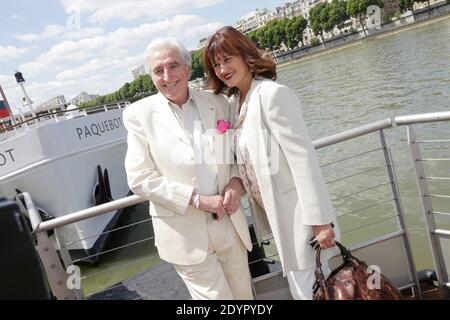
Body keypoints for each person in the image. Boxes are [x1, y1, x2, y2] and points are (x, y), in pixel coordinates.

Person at [203, 26, 340, 300]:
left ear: (245, 55)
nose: (222, 69)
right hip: (278, 217)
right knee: (309, 289)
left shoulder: (272, 95)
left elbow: (303, 160)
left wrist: (320, 222)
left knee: (309, 290)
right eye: (216, 64)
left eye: (227, 59)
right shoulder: (236, 103)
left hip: (300, 217)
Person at [123, 37, 254, 300]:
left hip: (229, 223)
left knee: (244, 296)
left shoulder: (218, 102)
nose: (167, 76)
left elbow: (239, 155)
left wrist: (236, 184)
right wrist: (196, 200)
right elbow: (139, 177)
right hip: (183, 235)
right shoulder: (138, 115)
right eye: (158, 71)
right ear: (151, 77)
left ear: (187, 68)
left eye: (173, 66)